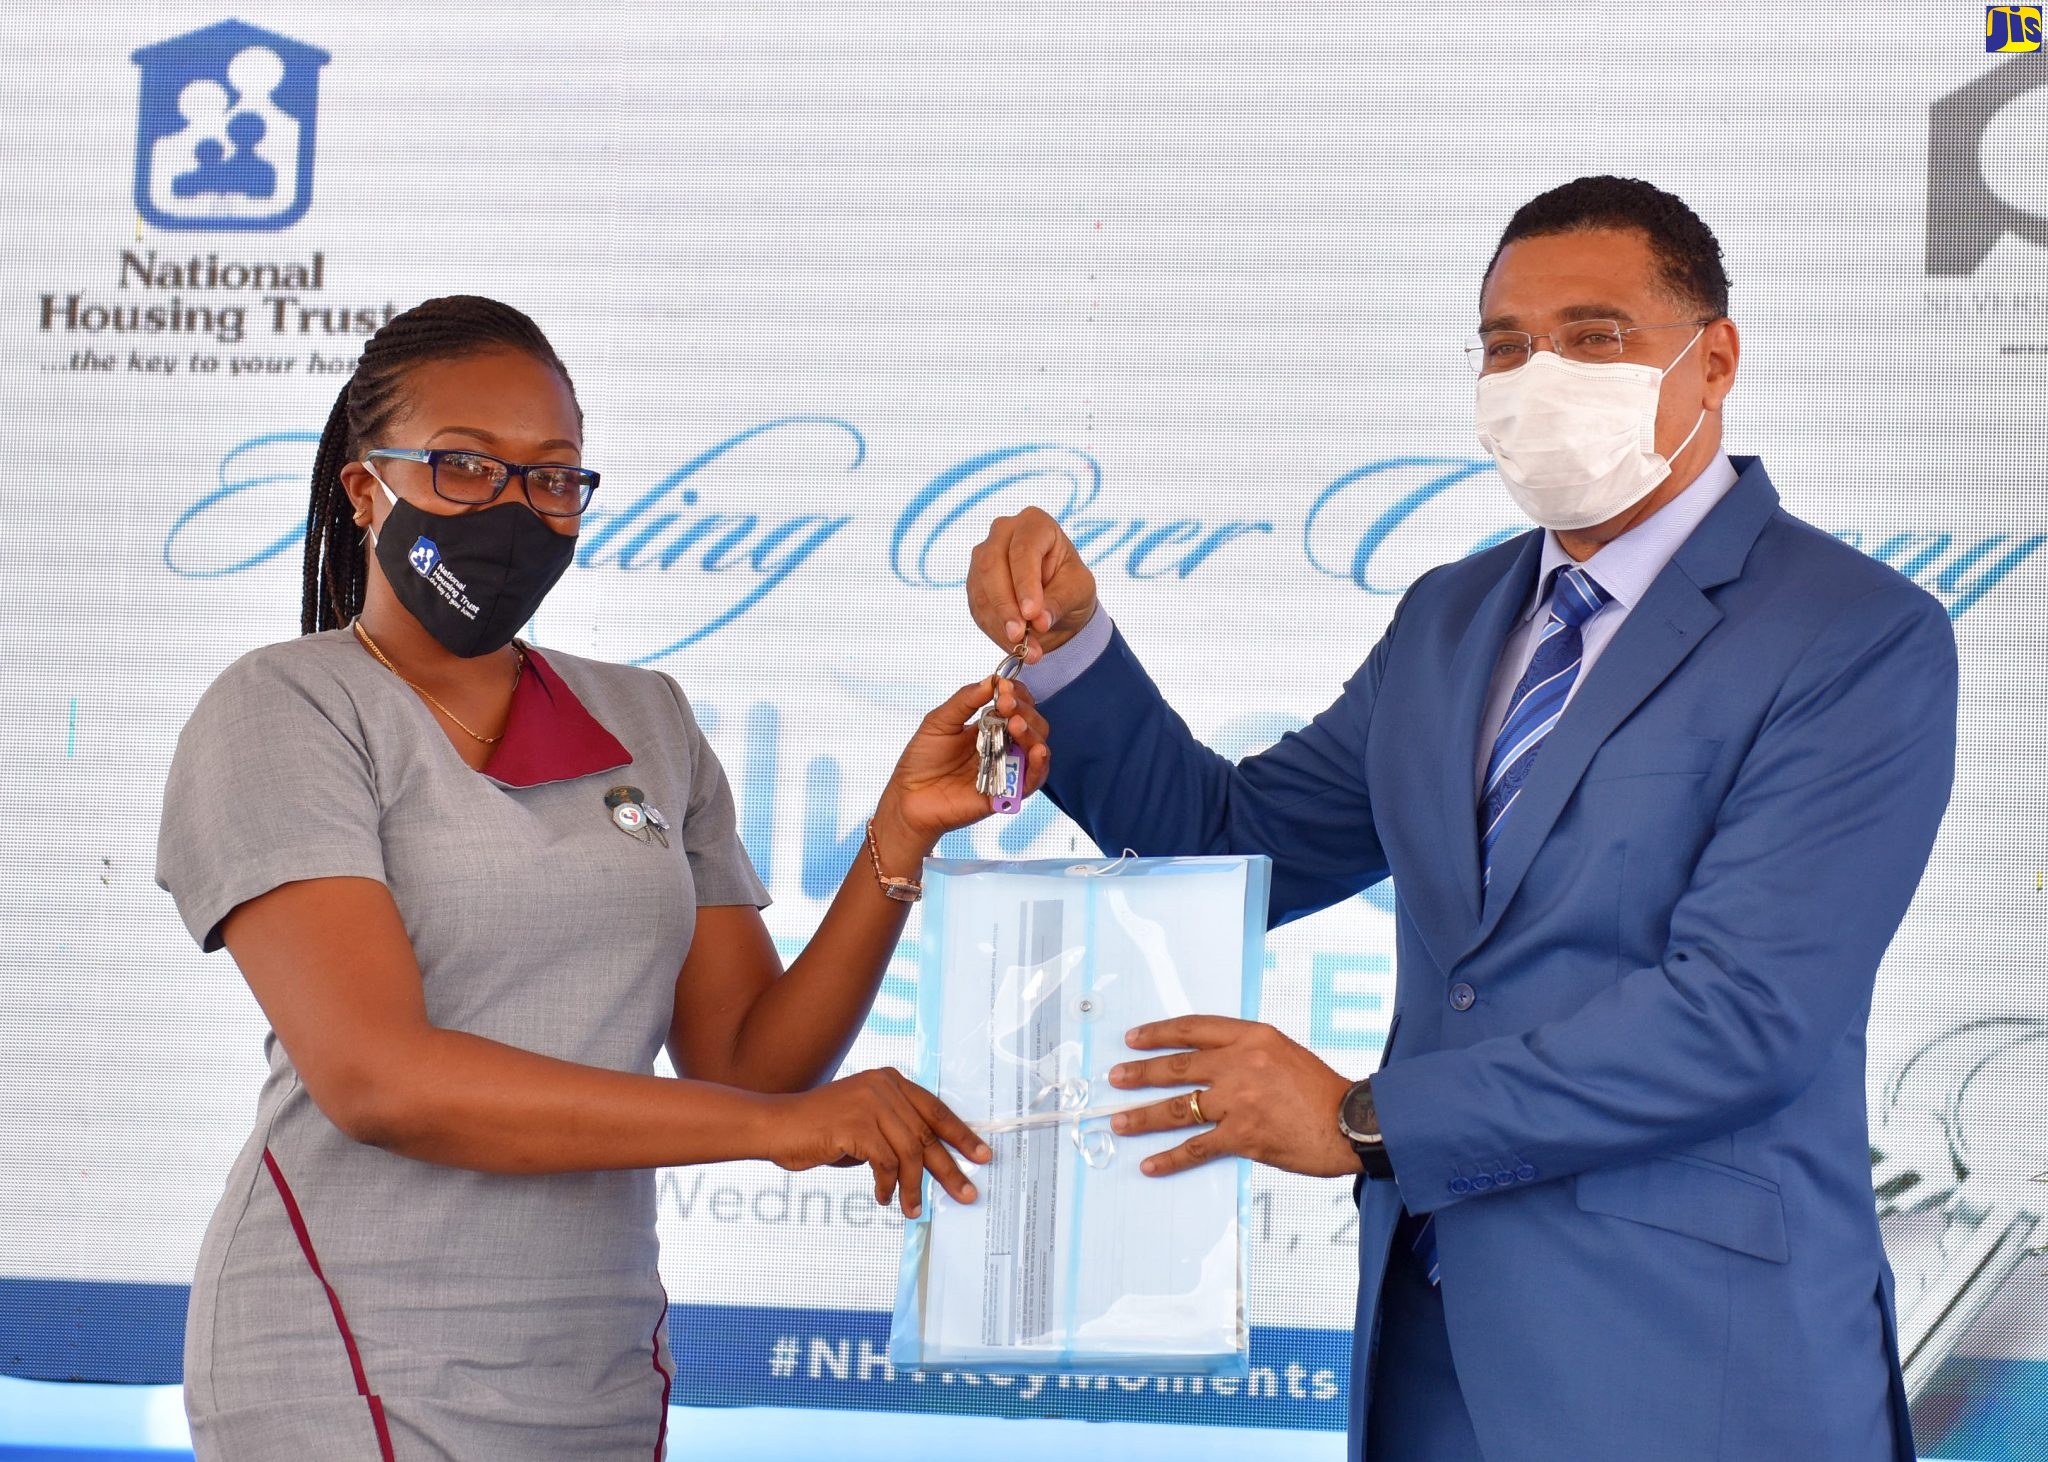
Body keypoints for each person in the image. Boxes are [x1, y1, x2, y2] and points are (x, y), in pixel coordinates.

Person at [964, 177, 1956, 1460]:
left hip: (1698, 1361)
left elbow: (1742, 1017)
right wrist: (1070, 654)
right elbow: (1230, 842)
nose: (1536, 374)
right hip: (1429, 1348)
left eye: (1592, 335)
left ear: (1712, 360)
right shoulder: (1447, 616)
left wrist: (1364, 1120)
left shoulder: (1851, 633)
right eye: (1503, 343)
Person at [156, 295, 1048, 1460]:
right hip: (348, 1351)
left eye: (552, 477)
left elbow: (747, 1060)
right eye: (464, 466)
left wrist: (900, 831)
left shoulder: (646, 720)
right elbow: (381, 1079)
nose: (513, 508)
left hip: (593, 1365)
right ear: (364, 486)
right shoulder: (285, 707)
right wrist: (775, 1131)